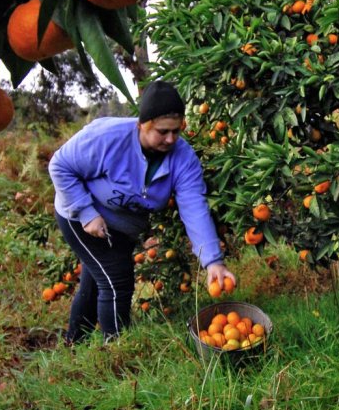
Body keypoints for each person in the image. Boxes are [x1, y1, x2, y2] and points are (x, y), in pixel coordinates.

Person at [48, 80, 237, 344]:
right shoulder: (107, 137)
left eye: (176, 131)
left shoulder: (183, 158)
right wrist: (86, 212)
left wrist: (213, 261)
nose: (170, 139)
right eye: (162, 132)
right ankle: (116, 352)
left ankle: (74, 343)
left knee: (95, 283)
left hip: (122, 228)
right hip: (82, 218)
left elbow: (194, 207)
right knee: (117, 282)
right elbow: (60, 165)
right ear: (141, 125)